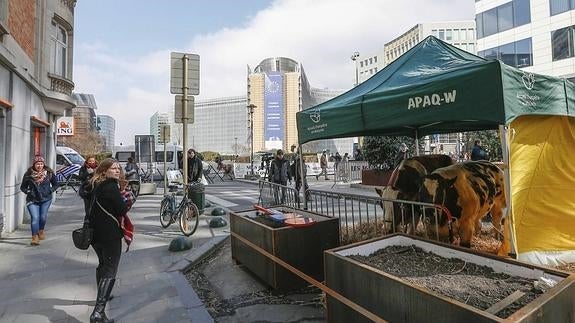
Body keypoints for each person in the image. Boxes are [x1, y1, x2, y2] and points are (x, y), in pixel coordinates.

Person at [88, 158, 134, 323]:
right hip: (110, 235)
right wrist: (128, 198)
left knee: (102, 265)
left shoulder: (97, 185)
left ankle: (102, 297)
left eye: (118, 168)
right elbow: (121, 209)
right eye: (113, 168)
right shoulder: (111, 187)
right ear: (104, 170)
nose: (117, 171)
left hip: (95, 235)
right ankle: (98, 312)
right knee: (110, 269)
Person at [20, 155, 58, 245]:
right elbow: (23, 187)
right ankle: (34, 237)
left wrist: (50, 190)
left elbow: (56, 184)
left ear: (43, 164)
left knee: (43, 217)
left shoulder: (49, 173)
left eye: (41, 164)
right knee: (35, 218)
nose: (39, 166)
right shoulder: (28, 174)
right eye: (37, 164)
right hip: (32, 200)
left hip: (46, 199)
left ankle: (40, 231)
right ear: (34, 165)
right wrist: (28, 191)